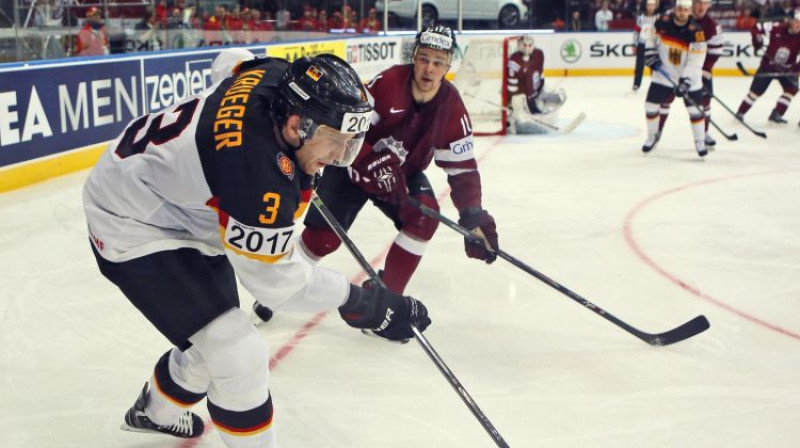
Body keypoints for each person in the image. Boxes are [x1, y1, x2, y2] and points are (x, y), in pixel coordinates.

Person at [82, 51, 431, 448]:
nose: (338, 157)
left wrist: (305, 161)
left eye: (349, 144)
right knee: (237, 351)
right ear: (297, 125)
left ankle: (154, 413)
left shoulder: (278, 78)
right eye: (335, 142)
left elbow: (232, 60)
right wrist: (362, 300)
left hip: (181, 205)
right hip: (130, 219)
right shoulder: (256, 177)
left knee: (210, 342)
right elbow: (277, 285)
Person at [251, 25, 499, 322]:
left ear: (448, 66)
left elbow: (463, 171)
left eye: (437, 62)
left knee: (425, 218)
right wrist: (366, 160)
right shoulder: (390, 83)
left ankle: (385, 303)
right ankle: (275, 292)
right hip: (350, 163)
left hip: (401, 176)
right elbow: (348, 128)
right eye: (423, 59)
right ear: (414, 58)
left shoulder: (452, 109)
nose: (428, 69)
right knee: (323, 240)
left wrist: (472, 215)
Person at [641, 0, 708, 157]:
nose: (682, 13)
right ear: (674, 9)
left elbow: (695, 61)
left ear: (690, 11)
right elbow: (649, 37)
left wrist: (685, 81)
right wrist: (650, 53)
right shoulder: (662, 22)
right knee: (650, 106)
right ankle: (652, 137)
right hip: (663, 75)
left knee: (695, 110)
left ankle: (700, 141)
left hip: (689, 79)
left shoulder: (696, 32)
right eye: (679, 9)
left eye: (686, 10)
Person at [655, 0, 723, 149]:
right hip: (672, 69)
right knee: (664, 100)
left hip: (697, 72)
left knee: (704, 103)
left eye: (705, 3)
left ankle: (703, 134)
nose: (701, 7)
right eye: (699, 2)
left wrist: (704, 70)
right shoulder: (674, 18)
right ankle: (657, 131)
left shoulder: (712, 26)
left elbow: (715, 52)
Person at [735, 11, 800, 125]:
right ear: (791, 21)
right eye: (797, 22)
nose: (799, 25)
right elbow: (756, 27)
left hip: (786, 70)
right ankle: (740, 113)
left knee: (792, 90)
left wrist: (794, 68)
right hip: (768, 66)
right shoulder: (776, 27)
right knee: (755, 92)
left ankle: (777, 114)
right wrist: (757, 41)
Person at [505, 34, 567, 134]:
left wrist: (539, 89)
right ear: (520, 45)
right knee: (523, 105)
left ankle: (548, 98)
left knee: (557, 97)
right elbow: (512, 86)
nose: (527, 48)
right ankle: (519, 113)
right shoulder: (515, 59)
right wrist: (510, 104)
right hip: (522, 97)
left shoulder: (539, 54)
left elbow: (539, 76)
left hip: (536, 93)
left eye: (529, 45)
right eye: (524, 45)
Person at [632, 0, 659, 91]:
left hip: (653, 45)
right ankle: (636, 83)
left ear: (655, 6)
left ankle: (656, 83)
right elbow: (636, 32)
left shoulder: (658, 18)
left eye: (652, 5)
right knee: (639, 65)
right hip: (642, 43)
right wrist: (634, 44)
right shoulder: (641, 18)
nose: (650, 8)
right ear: (646, 6)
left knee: (654, 64)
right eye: (649, 5)